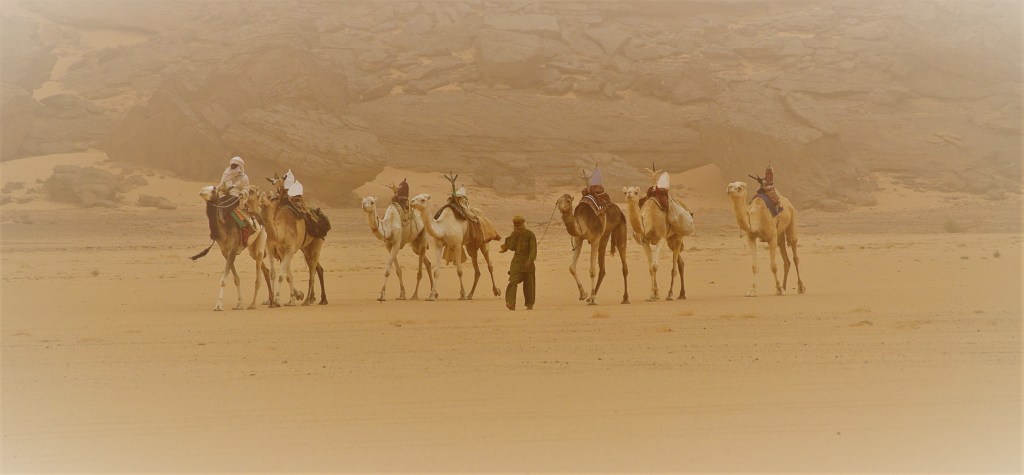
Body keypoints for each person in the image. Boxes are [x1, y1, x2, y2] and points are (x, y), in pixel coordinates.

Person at [500, 215, 537, 310]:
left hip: (528, 262)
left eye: (518, 223)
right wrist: (515, 237)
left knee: (529, 285)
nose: (516, 225)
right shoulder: (513, 234)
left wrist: (530, 260)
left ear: (523, 223)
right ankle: (510, 303)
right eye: (515, 223)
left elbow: (533, 249)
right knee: (513, 281)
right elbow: (512, 247)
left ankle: (529, 304)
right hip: (517, 261)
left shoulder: (530, 234)